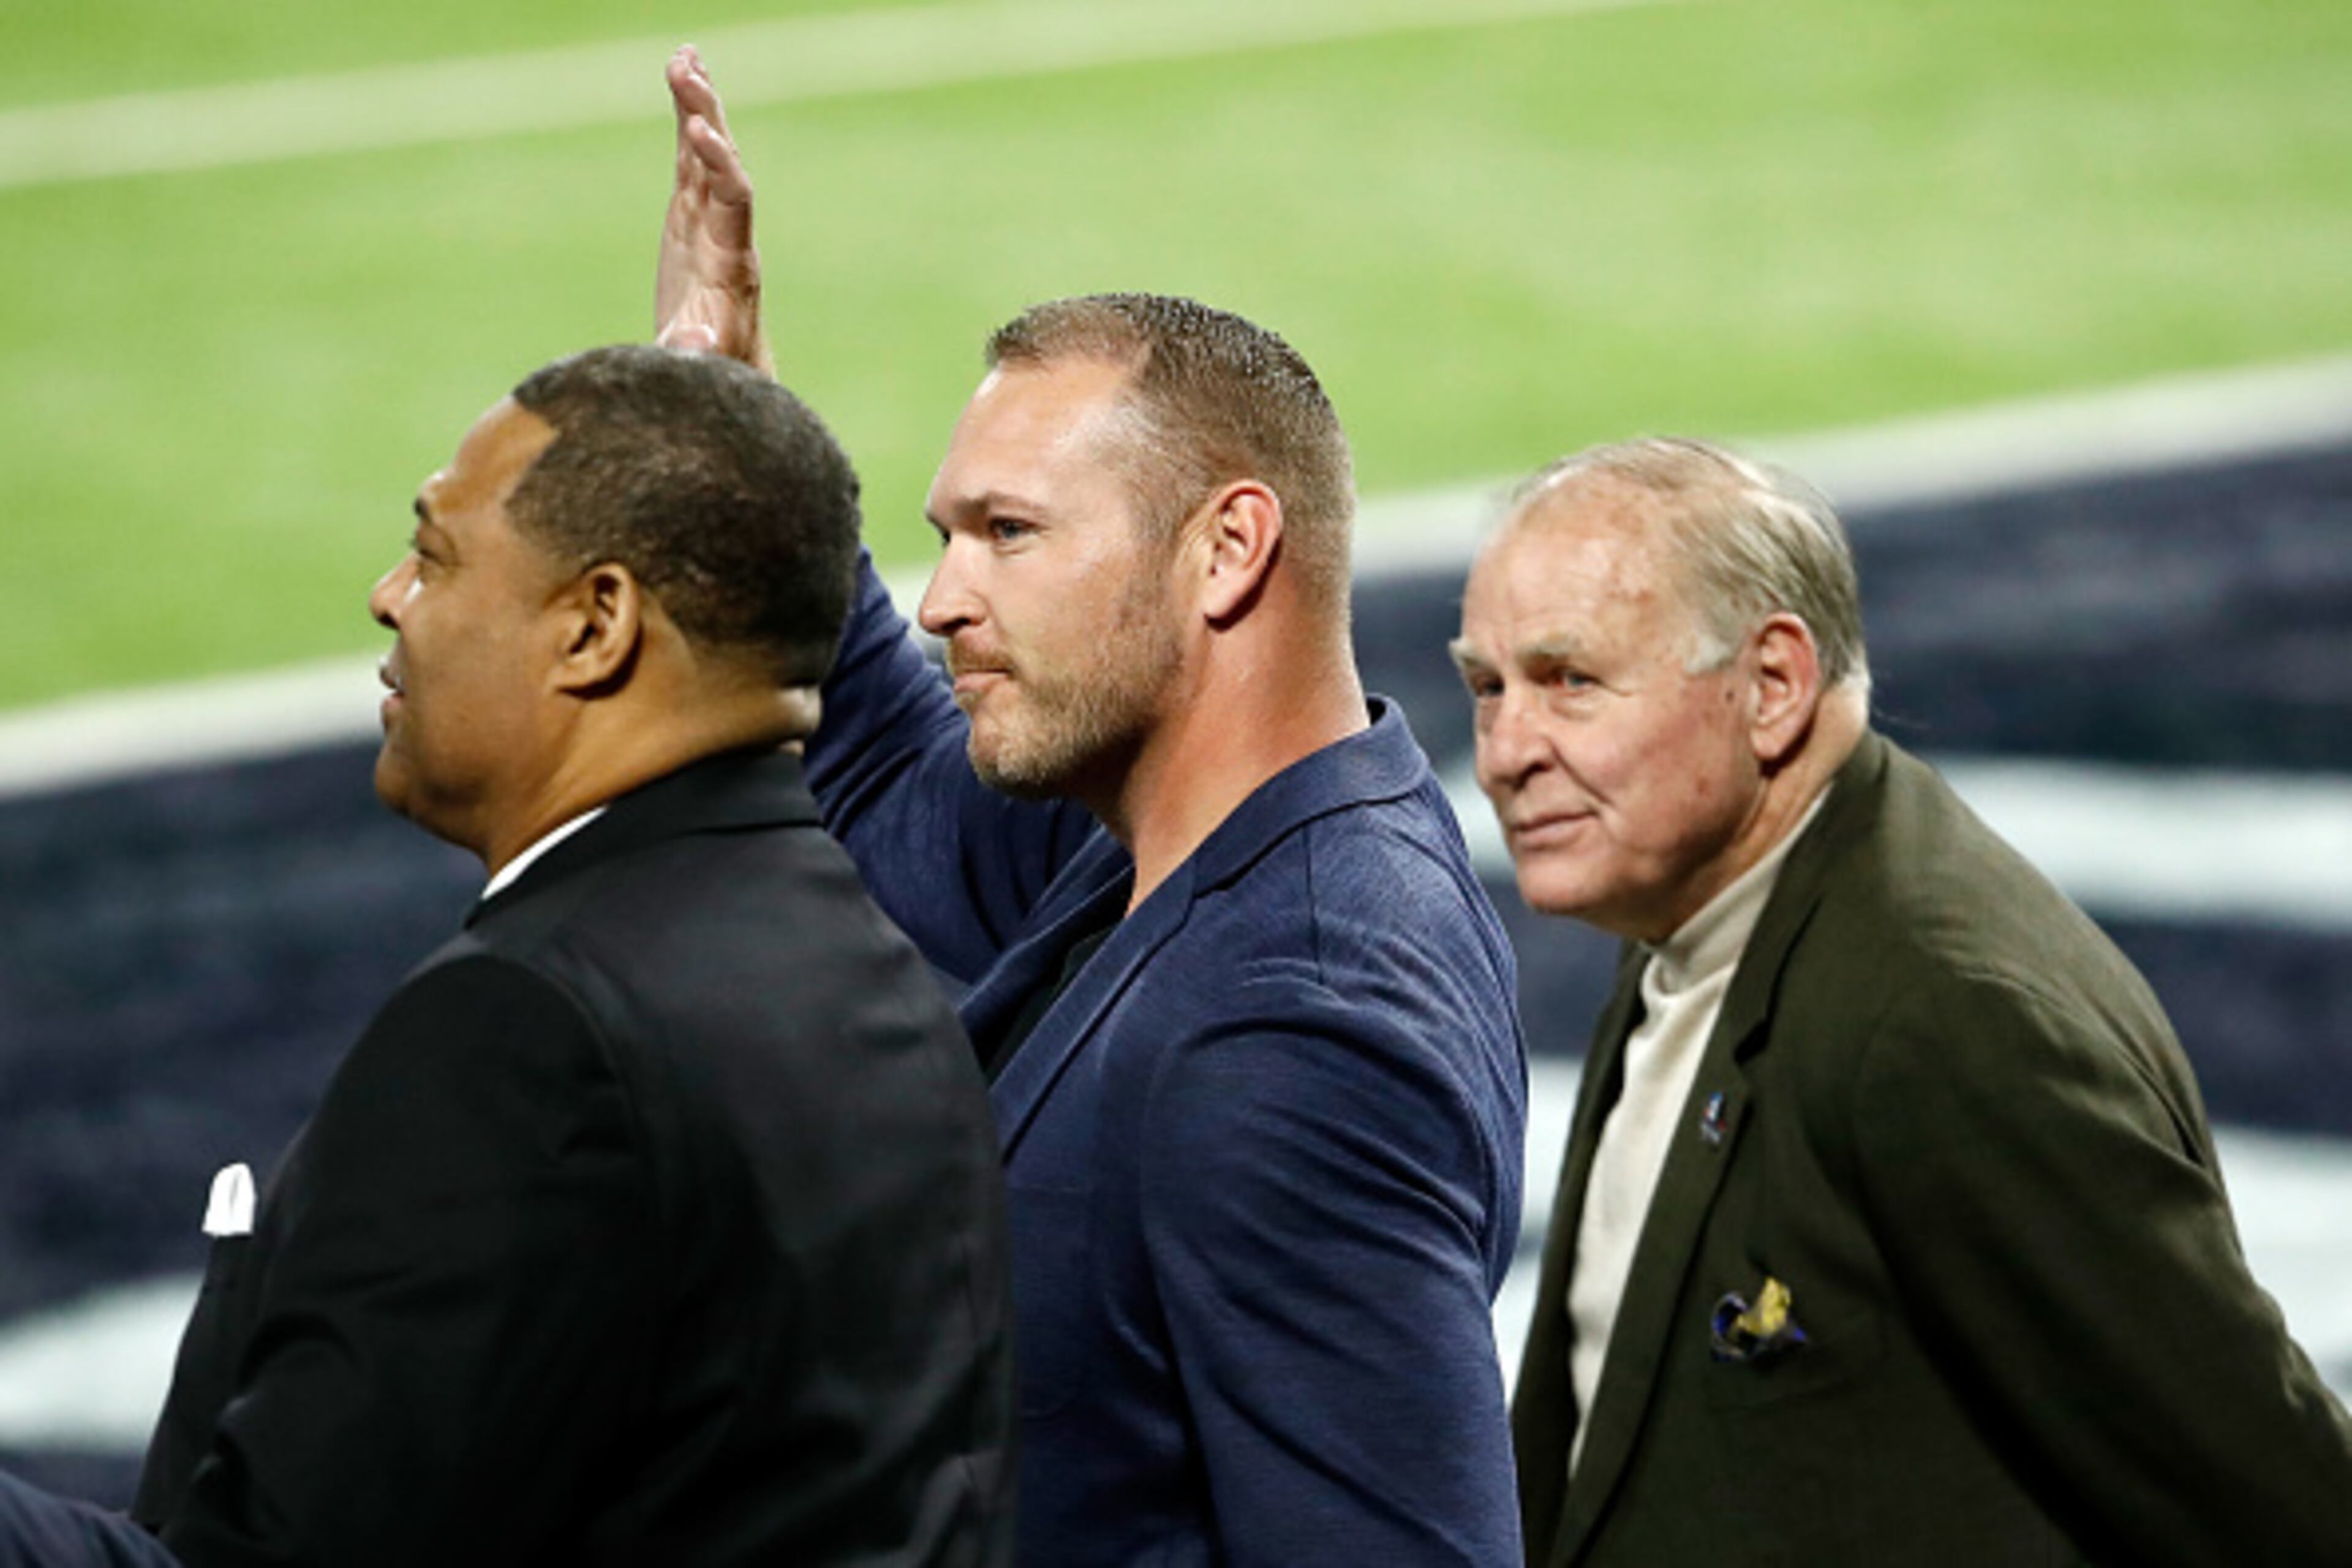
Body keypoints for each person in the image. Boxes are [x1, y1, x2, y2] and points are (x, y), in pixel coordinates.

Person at [654, 47, 1528, 1566]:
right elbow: (875, 770)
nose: (943, 600)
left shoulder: (1295, 1028)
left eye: (1009, 531)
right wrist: (746, 448)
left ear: (1226, 549)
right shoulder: (1158, 840)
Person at [0, 345, 1015, 1567]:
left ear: (596, 626)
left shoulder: (535, 1031)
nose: (389, 593)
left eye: (433, 554)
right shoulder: (870, 974)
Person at [1450, 436, 2352, 1566]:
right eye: (1488, 688)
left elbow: (2276, 1508)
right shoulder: (1695, 915)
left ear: (1772, 685)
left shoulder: (1950, 1019)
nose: (1504, 752)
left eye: (1570, 681)